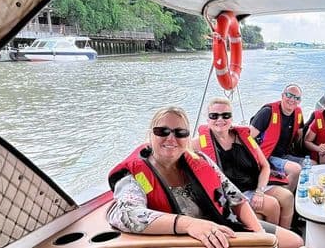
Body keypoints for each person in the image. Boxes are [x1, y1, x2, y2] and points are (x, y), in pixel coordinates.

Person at [106, 106, 303, 248]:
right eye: (162, 131)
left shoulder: (200, 160)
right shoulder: (134, 176)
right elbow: (125, 214)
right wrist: (190, 224)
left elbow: (235, 198)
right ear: (150, 135)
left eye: (180, 132)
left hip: (226, 224)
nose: (171, 138)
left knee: (295, 241)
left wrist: (258, 235)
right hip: (188, 241)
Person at [193, 97, 294, 229]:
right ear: (207, 119)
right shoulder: (197, 144)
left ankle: (286, 233)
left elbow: (265, 166)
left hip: (253, 185)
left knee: (287, 197)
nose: (220, 119)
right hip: (232, 194)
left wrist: (259, 191)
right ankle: (273, 238)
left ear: (231, 118)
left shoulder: (243, 137)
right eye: (214, 116)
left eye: (225, 115)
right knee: (272, 205)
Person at [250, 84, 305, 192]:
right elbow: (248, 138)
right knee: (296, 170)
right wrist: (256, 160)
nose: (292, 100)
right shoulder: (267, 112)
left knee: (312, 164)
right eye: (289, 95)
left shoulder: (298, 113)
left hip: (285, 155)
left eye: (296, 98)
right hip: (267, 156)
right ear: (282, 95)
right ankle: (286, 197)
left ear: (299, 101)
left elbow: (300, 135)